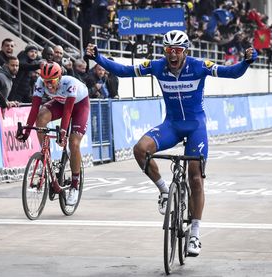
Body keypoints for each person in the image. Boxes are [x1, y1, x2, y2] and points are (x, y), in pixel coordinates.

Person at [85, 30, 257, 257]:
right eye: (168, 50)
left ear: (185, 51)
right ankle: (165, 191)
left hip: (195, 126)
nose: (172, 55)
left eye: (177, 51)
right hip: (172, 125)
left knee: (195, 178)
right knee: (140, 149)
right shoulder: (158, 66)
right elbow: (125, 71)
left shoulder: (199, 66)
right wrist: (99, 57)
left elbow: (230, 73)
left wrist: (245, 62)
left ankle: (195, 233)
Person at [15, 62, 90, 206]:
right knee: (41, 116)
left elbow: (68, 111)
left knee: (73, 143)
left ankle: (74, 185)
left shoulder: (70, 83)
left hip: (79, 106)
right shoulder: (40, 82)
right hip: (60, 103)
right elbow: (35, 108)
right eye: (45, 81)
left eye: (51, 81)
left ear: (59, 78)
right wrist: (27, 131)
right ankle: (45, 156)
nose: (48, 85)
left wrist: (63, 132)